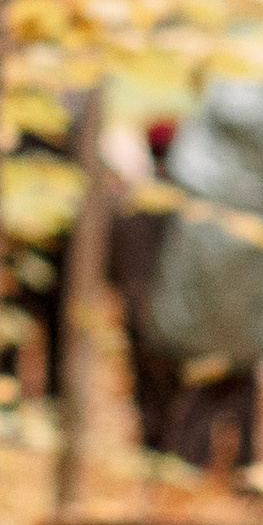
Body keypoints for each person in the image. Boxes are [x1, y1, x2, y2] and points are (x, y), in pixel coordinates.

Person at [148, 76, 263, 476]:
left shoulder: (206, 118)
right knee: (246, 356)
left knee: (200, 353)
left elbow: (176, 171)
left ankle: (191, 461)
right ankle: (245, 466)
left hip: (200, 246)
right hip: (254, 247)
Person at [105, 118, 183, 453]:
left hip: (137, 301)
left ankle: (153, 440)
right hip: (176, 303)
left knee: (145, 377)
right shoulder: (189, 205)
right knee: (173, 374)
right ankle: (170, 442)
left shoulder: (132, 200)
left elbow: (113, 255)